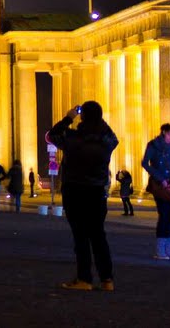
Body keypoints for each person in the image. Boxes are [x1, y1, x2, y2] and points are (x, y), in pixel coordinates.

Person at [49, 101, 119, 291]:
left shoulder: (72, 138)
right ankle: (107, 280)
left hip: (75, 190)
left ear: (82, 116)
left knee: (80, 236)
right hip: (97, 191)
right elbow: (114, 138)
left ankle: (84, 279)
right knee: (98, 235)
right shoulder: (106, 140)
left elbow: (51, 135)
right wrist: (99, 120)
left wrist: (69, 117)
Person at [142, 123, 170, 260]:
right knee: (164, 214)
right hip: (159, 185)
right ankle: (160, 249)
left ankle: (169, 249)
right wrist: (161, 179)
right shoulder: (153, 145)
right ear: (164, 132)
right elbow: (145, 163)